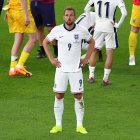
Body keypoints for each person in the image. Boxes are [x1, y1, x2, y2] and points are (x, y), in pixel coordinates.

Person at [43, 6, 95, 134]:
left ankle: (79, 125)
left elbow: (92, 42)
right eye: (66, 15)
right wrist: (51, 59)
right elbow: (45, 42)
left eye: (71, 15)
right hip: (61, 70)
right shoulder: (57, 30)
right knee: (59, 95)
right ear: (63, 17)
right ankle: (58, 125)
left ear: (74, 17)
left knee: (78, 96)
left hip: (76, 70)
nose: (69, 17)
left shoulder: (81, 30)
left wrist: (86, 59)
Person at [84, 0, 127, 85]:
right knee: (110, 53)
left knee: (94, 51)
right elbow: (125, 13)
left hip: (98, 27)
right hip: (109, 27)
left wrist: (91, 23)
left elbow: (86, 9)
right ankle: (105, 79)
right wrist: (118, 25)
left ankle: (91, 77)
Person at [4, 0, 37, 76]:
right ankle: (20, 66)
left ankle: (12, 68)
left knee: (18, 38)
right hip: (21, 12)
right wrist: (26, 15)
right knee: (33, 39)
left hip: (12, 11)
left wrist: (7, 11)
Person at [128, 0, 140, 66]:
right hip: (138, 5)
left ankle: (132, 57)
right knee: (134, 29)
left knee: (134, 30)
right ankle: (132, 57)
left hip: (137, 6)